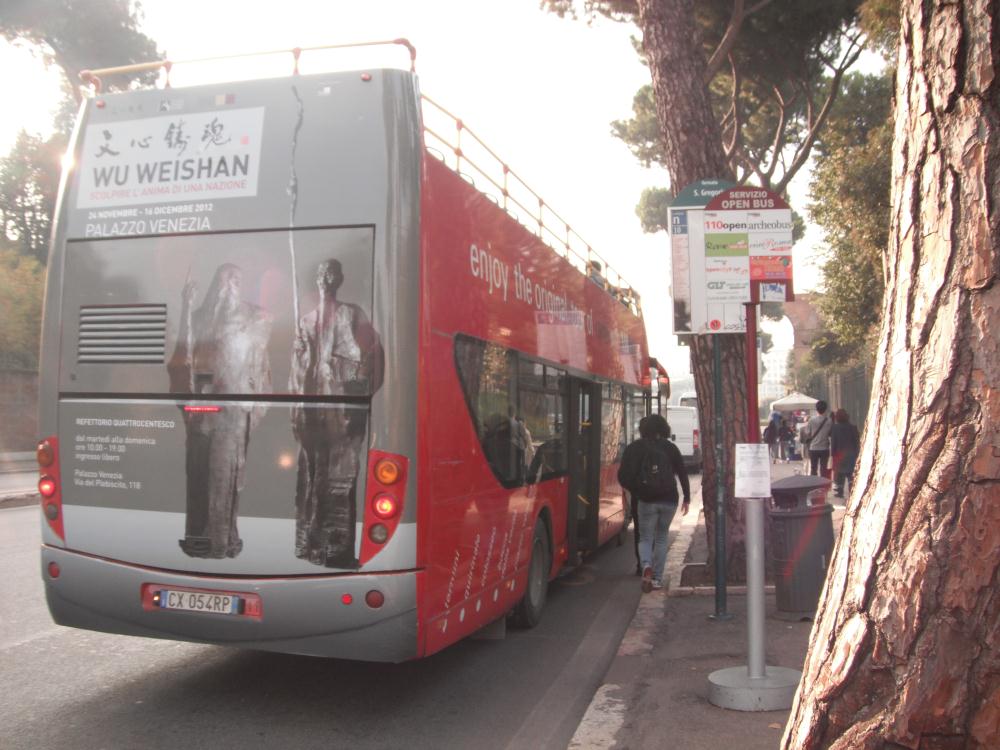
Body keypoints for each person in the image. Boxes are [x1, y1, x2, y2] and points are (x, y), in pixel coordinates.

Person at [168, 264, 273, 559]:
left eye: (236, 279)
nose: (229, 284)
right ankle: (198, 541)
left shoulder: (255, 317)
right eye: (225, 278)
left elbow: (261, 365)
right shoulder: (200, 317)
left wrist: (254, 409)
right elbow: (184, 354)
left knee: (226, 476)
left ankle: (222, 542)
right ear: (215, 283)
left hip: (234, 410)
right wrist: (186, 307)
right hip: (202, 408)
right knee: (198, 474)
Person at [289, 259, 384, 569]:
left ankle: (336, 549)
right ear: (317, 279)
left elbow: (371, 358)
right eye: (322, 273)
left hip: (343, 411)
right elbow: (296, 373)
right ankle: (309, 545)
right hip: (312, 411)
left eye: (331, 273)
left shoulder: (352, 314)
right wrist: (296, 408)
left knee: (340, 479)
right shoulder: (305, 322)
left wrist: (356, 392)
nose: (326, 278)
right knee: (310, 476)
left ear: (339, 279)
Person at [617, 414, 690, 593]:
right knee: (662, 537)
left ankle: (646, 565)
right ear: (664, 428)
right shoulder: (670, 448)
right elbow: (682, 472)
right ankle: (657, 579)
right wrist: (687, 498)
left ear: (643, 429)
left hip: (645, 500)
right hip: (669, 499)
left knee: (645, 537)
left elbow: (623, 476)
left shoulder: (634, 448)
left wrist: (637, 491)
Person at [830, 408, 860, 498]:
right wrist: (857, 453)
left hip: (839, 454)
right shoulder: (853, 428)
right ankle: (852, 490)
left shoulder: (835, 428)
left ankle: (840, 491)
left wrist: (833, 453)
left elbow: (833, 442)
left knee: (840, 474)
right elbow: (857, 441)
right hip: (851, 454)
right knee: (851, 473)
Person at [804, 400, 834, 477]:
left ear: (816, 409)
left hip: (813, 448)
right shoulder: (829, 421)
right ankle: (822, 482)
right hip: (824, 448)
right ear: (826, 409)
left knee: (813, 468)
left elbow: (807, 432)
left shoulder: (811, 420)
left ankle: (814, 482)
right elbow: (830, 433)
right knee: (823, 469)